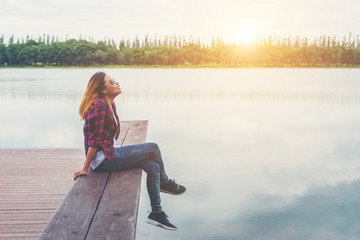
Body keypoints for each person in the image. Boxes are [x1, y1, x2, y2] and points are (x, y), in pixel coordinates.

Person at [74, 71, 186, 230]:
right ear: (104, 89)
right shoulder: (99, 105)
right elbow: (94, 140)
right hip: (104, 159)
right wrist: (85, 167)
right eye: (111, 81)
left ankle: (156, 213)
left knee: (153, 167)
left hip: (111, 152)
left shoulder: (109, 104)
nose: (116, 82)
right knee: (153, 147)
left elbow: (107, 138)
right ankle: (165, 182)